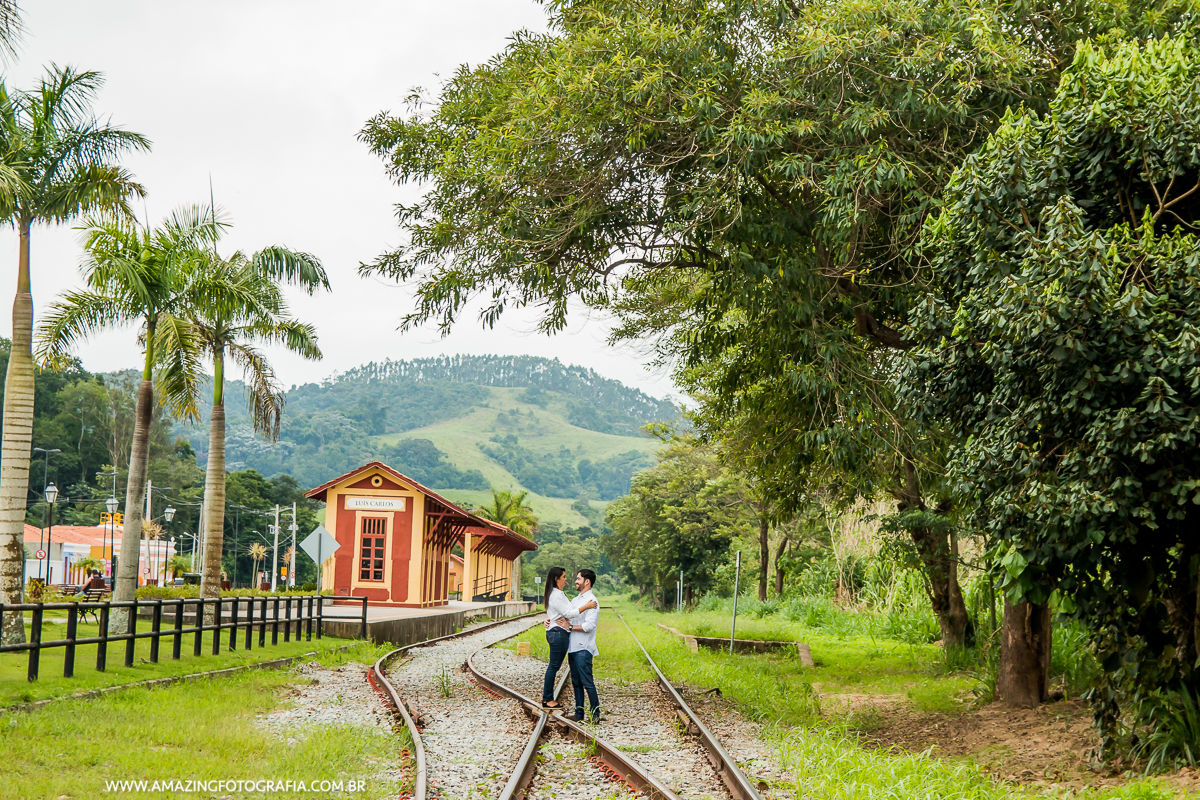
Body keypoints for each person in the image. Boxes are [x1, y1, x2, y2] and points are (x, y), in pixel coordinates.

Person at [541, 566, 597, 710]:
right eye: (564, 577)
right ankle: (548, 699)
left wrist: (552, 620)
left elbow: (583, 623)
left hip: (578, 644)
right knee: (554, 667)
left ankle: (591, 711)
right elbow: (568, 613)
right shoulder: (562, 595)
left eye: (578, 578)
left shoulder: (587, 599)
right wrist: (586, 606)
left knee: (582, 679)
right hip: (560, 635)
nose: (569, 580)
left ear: (587, 582)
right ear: (556, 579)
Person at [565, 568, 601, 722]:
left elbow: (589, 626)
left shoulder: (592, 601)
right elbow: (568, 617)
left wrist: (571, 627)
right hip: (572, 647)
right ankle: (579, 713)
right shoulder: (575, 600)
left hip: (584, 647)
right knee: (576, 682)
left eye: (578, 578)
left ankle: (595, 715)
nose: (576, 581)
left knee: (587, 682)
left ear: (587, 581)